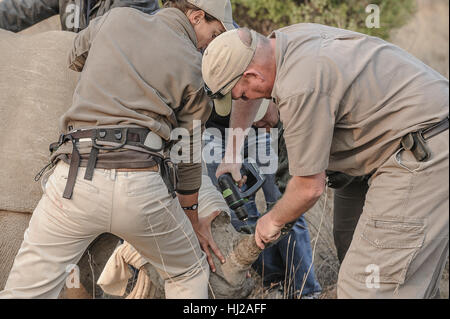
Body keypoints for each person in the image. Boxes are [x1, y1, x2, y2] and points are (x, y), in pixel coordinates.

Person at [0, 0, 235, 299]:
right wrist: (191, 219)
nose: (208, 46)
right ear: (197, 16)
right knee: (189, 272)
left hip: (74, 177)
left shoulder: (117, 18)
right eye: (213, 35)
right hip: (141, 184)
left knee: (23, 291)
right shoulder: (193, 65)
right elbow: (187, 156)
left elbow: (74, 53)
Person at [201, 26, 449, 298]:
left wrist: (271, 220)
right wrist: (233, 153)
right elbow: (249, 91)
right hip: (381, 149)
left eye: (242, 95)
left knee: (365, 284)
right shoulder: (275, 45)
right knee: (352, 241)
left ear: (252, 75)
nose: (246, 101)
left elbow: (309, 187)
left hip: (423, 148)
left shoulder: (301, 85)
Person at [204, 100, 321, 298]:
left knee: (286, 203)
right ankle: (273, 280)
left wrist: (271, 106)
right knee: (239, 215)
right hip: (216, 134)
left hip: (260, 128)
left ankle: (306, 289)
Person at [0, 0, 159, 33]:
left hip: (123, 90)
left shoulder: (137, 1)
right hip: (78, 78)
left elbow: (108, 39)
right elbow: (22, 8)